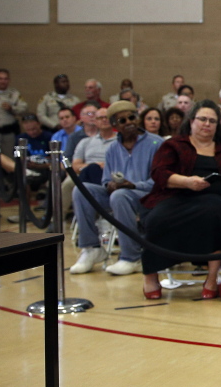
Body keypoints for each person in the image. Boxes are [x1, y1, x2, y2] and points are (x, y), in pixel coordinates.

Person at [140, 100, 221, 300]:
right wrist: (186, 182)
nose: (207, 124)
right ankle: (150, 278)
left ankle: (211, 279)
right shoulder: (174, 145)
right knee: (155, 218)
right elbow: (159, 172)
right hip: (174, 198)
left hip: (212, 204)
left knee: (218, 209)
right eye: (202, 119)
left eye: (212, 120)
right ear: (191, 121)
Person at [69, 101, 164, 276]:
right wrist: (109, 185)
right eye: (122, 120)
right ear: (114, 126)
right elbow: (106, 179)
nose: (129, 122)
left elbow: (160, 180)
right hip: (119, 195)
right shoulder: (113, 148)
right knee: (82, 190)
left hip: (149, 195)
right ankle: (92, 249)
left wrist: (132, 185)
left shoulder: (156, 143)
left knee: (120, 195)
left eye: (132, 117)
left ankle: (131, 257)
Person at [0, 68, 28, 157]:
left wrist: (12, 108)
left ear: (9, 80)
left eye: (5, 79)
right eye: (0, 79)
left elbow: (24, 109)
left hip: (8, 133)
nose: (3, 81)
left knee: (9, 159)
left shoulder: (14, 93)